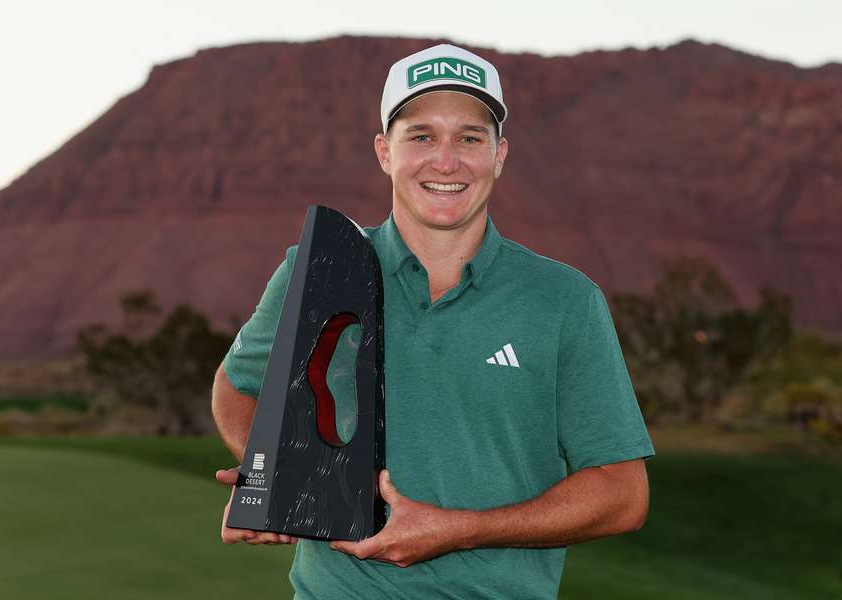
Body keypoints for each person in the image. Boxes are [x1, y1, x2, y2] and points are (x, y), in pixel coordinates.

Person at [212, 43, 655, 599]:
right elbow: (236, 386)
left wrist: (461, 532)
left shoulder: (564, 299)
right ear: (384, 151)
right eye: (421, 136)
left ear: (499, 155)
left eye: (469, 138)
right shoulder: (318, 267)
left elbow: (623, 494)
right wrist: (276, 475)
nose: (445, 161)